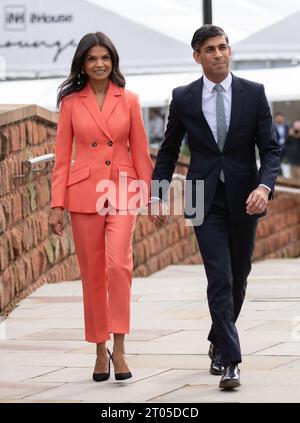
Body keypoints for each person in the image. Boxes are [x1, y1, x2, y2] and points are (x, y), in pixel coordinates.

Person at [149, 25, 281, 390]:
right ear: (198, 56)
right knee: (219, 276)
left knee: (239, 276)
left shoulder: (254, 94)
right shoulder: (184, 97)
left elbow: (270, 149)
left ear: (229, 50)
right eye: (210, 49)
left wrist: (264, 185)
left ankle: (217, 337)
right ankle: (231, 361)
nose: (219, 54)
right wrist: (157, 195)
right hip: (199, 197)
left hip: (245, 196)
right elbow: (169, 151)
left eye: (223, 47)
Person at [50, 32, 153, 382]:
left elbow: (141, 151)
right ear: (82, 63)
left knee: (118, 265)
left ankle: (120, 348)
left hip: (123, 191)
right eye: (92, 58)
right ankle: (99, 349)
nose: (99, 64)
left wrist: (153, 196)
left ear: (113, 61)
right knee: (92, 273)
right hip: (82, 194)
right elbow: (62, 158)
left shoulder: (130, 100)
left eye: (105, 58)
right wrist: (56, 204)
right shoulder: (70, 103)